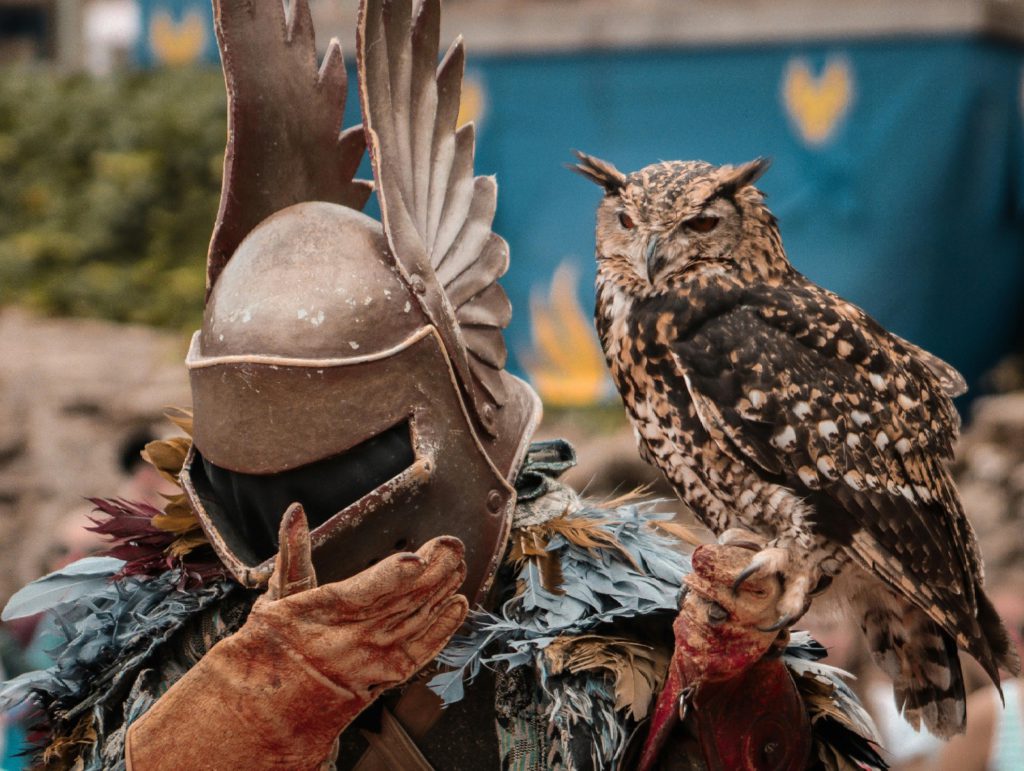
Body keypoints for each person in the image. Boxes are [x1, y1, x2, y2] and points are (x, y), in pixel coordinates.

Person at [0, 1, 884, 768]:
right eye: (266, 484)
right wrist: (220, 728)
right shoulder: (178, 632)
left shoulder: (606, 609)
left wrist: (730, 691)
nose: (304, 521)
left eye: (349, 463)